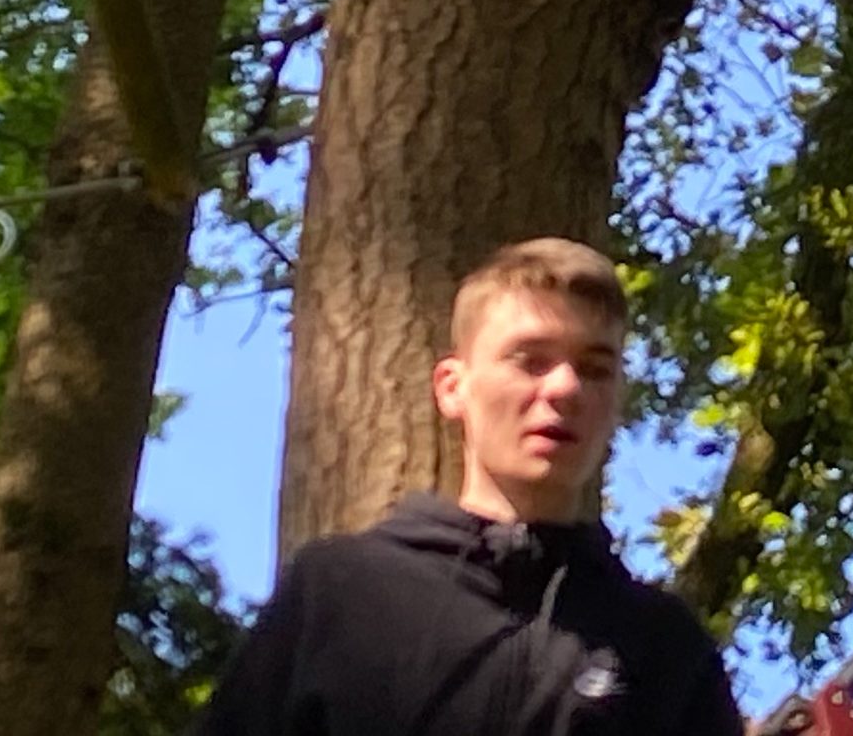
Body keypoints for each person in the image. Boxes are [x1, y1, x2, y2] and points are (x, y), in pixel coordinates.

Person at [190, 237, 743, 736]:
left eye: (595, 369)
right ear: (452, 387)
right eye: (531, 360)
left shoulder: (663, 648)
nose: (565, 388)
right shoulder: (339, 593)